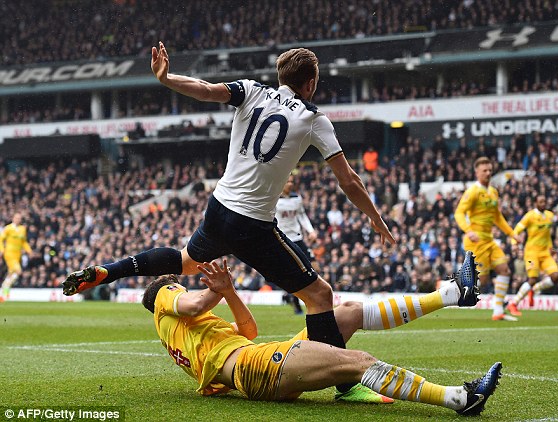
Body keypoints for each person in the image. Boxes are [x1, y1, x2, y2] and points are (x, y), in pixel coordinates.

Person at [63, 42, 395, 402]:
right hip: (252, 223)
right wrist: (375, 218)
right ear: (311, 83)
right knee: (320, 295)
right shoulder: (314, 119)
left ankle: (109, 271)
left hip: (218, 208)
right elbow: (348, 180)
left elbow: (205, 90)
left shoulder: (252, 90)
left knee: (185, 262)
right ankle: (346, 385)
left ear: (280, 76)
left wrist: (166, 77)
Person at [143, 253, 501, 416]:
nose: (182, 287)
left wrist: (229, 292)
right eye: (178, 283)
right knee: (358, 363)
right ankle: (459, 399)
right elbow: (192, 304)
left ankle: (453, 294)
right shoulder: (164, 297)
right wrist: (216, 290)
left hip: (256, 358)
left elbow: (249, 330)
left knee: (345, 313)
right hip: (255, 368)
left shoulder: (190, 332)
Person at [454, 157, 521, 321]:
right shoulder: (472, 192)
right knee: (481, 281)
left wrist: (512, 233)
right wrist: (468, 230)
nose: (488, 173)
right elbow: (459, 213)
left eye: (490, 170)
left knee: (504, 270)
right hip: (476, 242)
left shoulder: (493, 192)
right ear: (476, 172)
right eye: (484, 170)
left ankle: (498, 311)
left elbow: (497, 217)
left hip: (489, 241)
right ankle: (447, 291)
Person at [506, 195, 558, 316]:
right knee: (532, 279)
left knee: (556, 276)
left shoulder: (550, 216)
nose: (543, 203)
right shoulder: (530, 216)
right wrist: (514, 243)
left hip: (545, 253)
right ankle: (513, 304)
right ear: (535, 203)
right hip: (531, 253)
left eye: (544, 201)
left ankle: (535, 289)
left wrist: (551, 247)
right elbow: (517, 230)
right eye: (540, 201)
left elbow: (547, 236)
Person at [276, 174, 318, 315]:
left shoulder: (296, 198)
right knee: (294, 272)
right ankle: (295, 300)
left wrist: (311, 231)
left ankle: (292, 296)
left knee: (313, 266)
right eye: (288, 181)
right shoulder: (273, 198)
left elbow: (302, 216)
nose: (290, 184)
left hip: (298, 238)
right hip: (283, 239)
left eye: (292, 181)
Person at [0, 213, 32, 302]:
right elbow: (1, 240)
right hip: (9, 253)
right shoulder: (8, 228)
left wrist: (29, 251)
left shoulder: (22, 229)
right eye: (17, 218)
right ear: (13, 218)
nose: (18, 219)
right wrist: (2, 250)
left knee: (11, 274)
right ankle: (5, 288)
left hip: (18, 255)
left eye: (20, 218)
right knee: (18, 271)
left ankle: (4, 292)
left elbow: (24, 242)